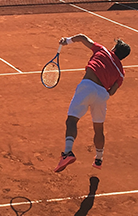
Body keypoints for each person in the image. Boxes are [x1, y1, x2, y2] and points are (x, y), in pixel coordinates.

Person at [54, 34, 131, 172]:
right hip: (102, 95)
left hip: (87, 86)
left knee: (72, 121)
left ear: (114, 48)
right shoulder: (121, 73)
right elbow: (112, 92)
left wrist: (67, 41)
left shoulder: (103, 50)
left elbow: (83, 38)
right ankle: (98, 159)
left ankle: (67, 152)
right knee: (99, 128)